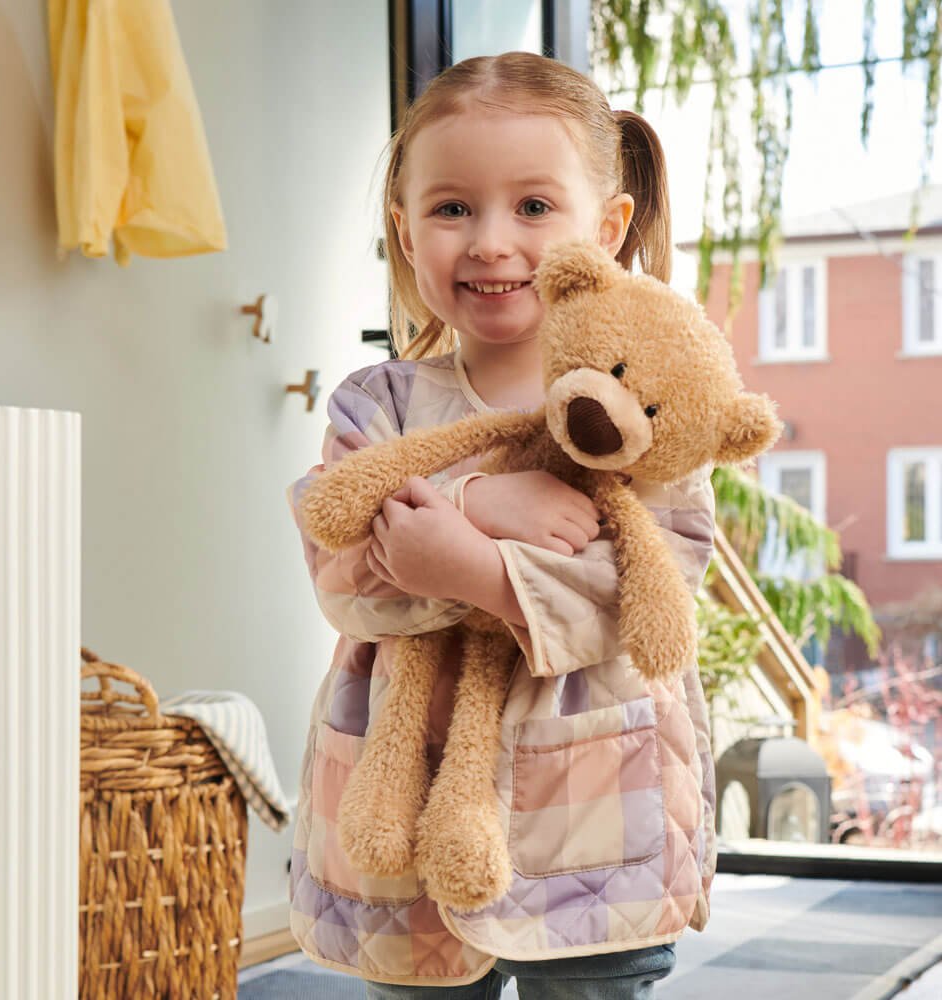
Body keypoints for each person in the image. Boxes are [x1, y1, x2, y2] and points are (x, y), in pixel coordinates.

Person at [287, 51, 717, 999]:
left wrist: (478, 571)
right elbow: (339, 563)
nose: (489, 242)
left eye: (532, 207)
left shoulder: (646, 406)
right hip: (411, 801)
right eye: (451, 209)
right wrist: (481, 502)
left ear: (605, 231)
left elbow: (649, 598)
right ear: (404, 232)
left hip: (599, 810)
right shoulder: (379, 405)